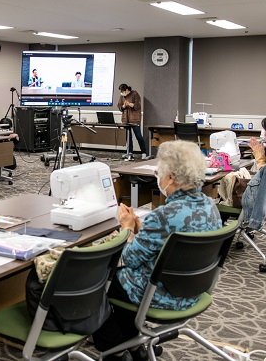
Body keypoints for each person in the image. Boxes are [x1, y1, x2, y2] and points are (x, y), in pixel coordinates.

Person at [92, 141, 222, 360]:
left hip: (163, 295)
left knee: (96, 281)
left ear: (170, 177)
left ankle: (114, 348)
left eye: (159, 172)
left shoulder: (163, 216)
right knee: (122, 283)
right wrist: (140, 229)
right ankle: (134, 345)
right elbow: (164, 243)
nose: (157, 177)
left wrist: (126, 228)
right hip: (193, 291)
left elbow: (128, 259)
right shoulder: (210, 207)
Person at [117, 84, 148, 160]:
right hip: (125, 120)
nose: (122, 93)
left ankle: (143, 152)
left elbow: (138, 106)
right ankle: (130, 152)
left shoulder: (134, 94)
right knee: (128, 137)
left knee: (138, 136)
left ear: (127, 90)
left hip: (135, 119)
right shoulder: (122, 97)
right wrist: (123, 106)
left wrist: (130, 104)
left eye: (123, 91)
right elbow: (119, 107)